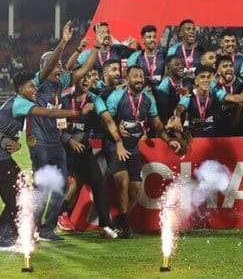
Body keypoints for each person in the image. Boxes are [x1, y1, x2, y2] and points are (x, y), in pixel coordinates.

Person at [0, 72, 94, 248]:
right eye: (31, 86)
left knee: (20, 195)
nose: (34, 89)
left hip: (4, 157)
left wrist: (14, 143)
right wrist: (77, 112)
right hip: (1, 160)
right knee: (18, 198)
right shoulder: (20, 103)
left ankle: (9, 235)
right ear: (21, 89)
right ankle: (4, 238)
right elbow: (49, 113)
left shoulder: (16, 102)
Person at [28, 21, 103, 242]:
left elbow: (84, 71)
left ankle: (47, 228)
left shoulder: (60, 83)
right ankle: (31, 226)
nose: (60, 67)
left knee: (62, 185)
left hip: (56, 143)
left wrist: (96, 48)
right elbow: (50, 63)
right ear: (45, 67)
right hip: (39, 143)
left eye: (61, 65)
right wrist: (64, 42)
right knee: (42, 186)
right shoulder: (38, 83)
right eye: (56, 64)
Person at [101, 65, 183, 238]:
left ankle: (118, 223)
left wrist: (169, 141)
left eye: (141, 76)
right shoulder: (116, 97)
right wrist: (117, 129)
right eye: (135, 76)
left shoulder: (148, 100)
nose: (139, 79)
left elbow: (158, 125)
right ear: (127, 79)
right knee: (122, 181)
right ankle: (124, 226)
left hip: (133, 148)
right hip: (114, 146)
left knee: (136, 190)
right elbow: (105, 122)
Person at [59, 72, 119, 239]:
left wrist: (118, 141)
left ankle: (105, 225)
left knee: (99, 184)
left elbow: (107, 120)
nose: (86, 81)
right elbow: (57, 124)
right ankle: (55, 218)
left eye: (89, 78)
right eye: (83, 78)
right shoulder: (64, 98)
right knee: (70, 185)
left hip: (84, 149)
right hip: (64, 148)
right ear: (75, 79)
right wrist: (69, 140)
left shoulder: (95, 99)